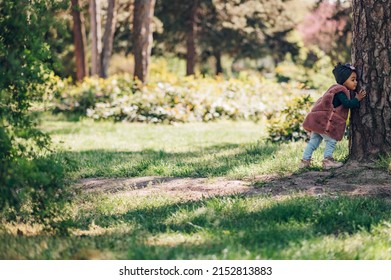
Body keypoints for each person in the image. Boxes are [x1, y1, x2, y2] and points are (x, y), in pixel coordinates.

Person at [300, 63, 367, 170]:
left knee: (313, 142)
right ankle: (328, 161)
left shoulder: (334, 89)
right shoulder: (341, 91)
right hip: (326, 123)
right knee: (331, 141)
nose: (356, 82)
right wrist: (357, 99)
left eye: (356, 79)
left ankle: (305, 161)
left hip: (319, 122)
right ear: (344, 80)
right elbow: (347, 104)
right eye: (353, 79)